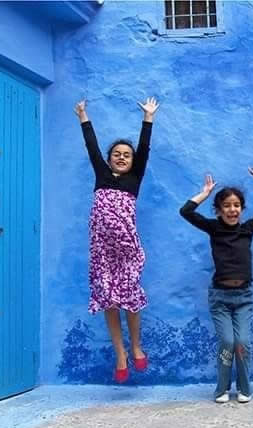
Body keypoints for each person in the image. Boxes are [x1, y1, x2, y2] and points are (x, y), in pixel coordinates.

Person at [75, 97, 159, 383]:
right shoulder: (101, 173)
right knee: (109, 299)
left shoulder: (134, 179)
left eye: (127, 154)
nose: (122, 157)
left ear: (133, 162)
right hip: (101, 251)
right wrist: (83, 116)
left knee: (130, 298)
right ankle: (120, 352)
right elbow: (91, 147)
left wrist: (148, 118)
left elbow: (144, 148)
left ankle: (136, 345)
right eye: (117, 153)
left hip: (126, 250)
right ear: (109, 158)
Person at [180, 170, 253, 403]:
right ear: (219, 210)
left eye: (236, 205)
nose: (232, 209)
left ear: (242, 209)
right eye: (226, 206)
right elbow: (186, 211)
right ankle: (221, 389)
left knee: (242, 343)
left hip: (243, 297)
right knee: (227, 342)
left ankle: (245, 388)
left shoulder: (248, 229)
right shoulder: (214, 228)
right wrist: (204, 193)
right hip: (220, 298)